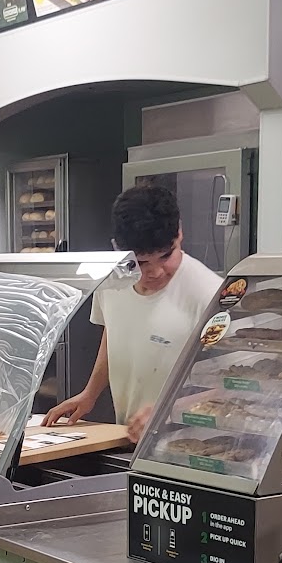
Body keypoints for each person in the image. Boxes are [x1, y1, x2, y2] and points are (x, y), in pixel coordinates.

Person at [44, 183, 220, 442]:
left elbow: (239, 385)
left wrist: (169, 410)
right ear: (118, 248)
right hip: (132, 438)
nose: (155, 272)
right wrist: (90, 393)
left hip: (195, 446)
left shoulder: (210, 294)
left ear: (180, 233)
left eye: (166, 256)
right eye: (142, 262)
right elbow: (114, 332)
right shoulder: (112, 281)